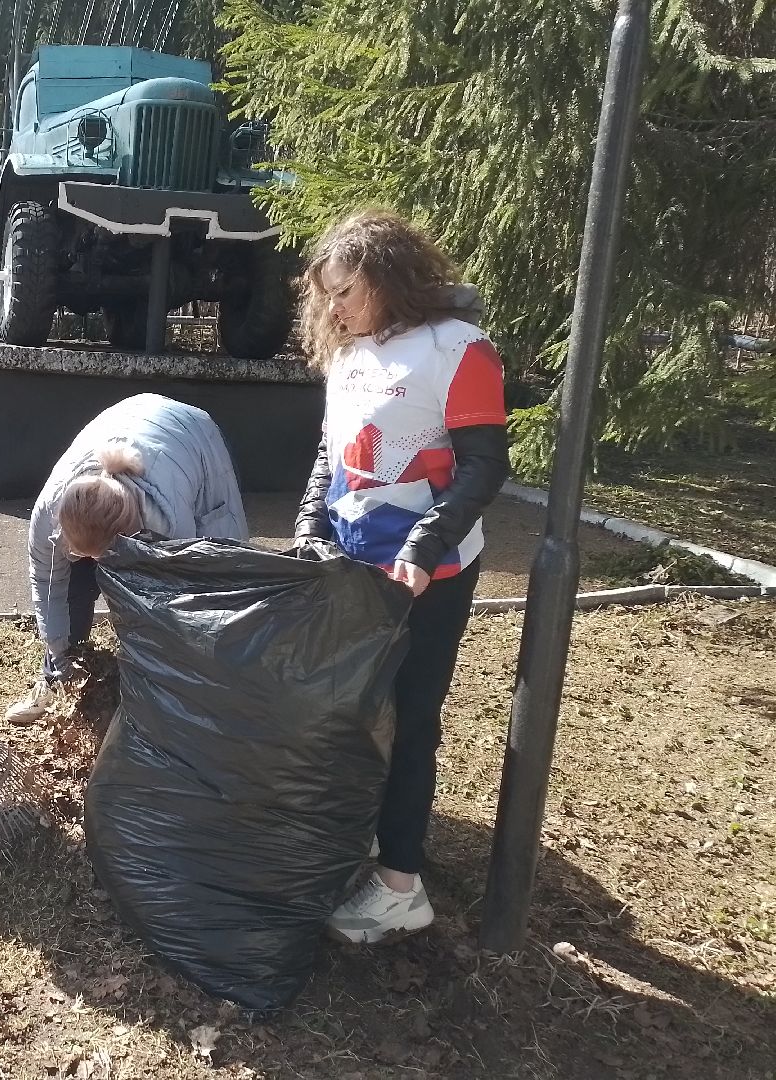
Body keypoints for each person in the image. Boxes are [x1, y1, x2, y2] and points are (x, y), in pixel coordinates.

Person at [292, 209, 509, 944]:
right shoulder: (351, 355)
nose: (333, 308)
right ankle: (356, 842)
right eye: (326, 295)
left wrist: (422, 545)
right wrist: (305, 530)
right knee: (351, 716)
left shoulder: (459, 349)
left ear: (387, 279)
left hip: (431, 573)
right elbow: (332, 458)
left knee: (411, 721)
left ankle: (400, 887)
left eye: (346, 291)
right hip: (353, 568)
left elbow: (483, 466)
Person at [6, 393, 250, 725]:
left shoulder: (171, 523)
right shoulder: (51, 511)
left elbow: (176, 603)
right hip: (129, 422)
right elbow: (49, 583)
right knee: (73, 583)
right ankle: (53, 680)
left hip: (194, 438)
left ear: (129, 532)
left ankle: (193, 691)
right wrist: (59, 653)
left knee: (205, 583)